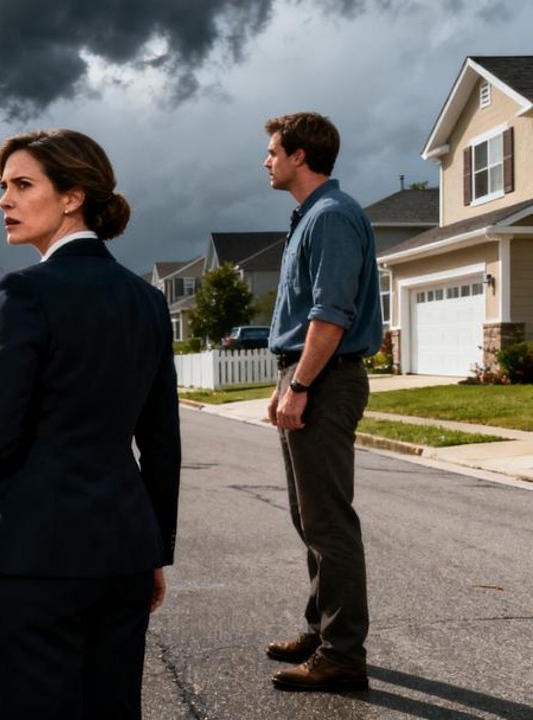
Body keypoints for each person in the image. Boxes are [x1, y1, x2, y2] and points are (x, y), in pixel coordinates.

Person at [0, 129, 181, 719]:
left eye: (23, 185)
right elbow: (161, 445)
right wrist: (152, 551)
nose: (4, 200)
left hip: (29, 559)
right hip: (122, 555)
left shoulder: (23, 291)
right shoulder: (147, 301)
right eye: (4, 186)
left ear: (73, 197)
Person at [261, 111, 382, 692]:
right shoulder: (310, 216)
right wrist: (284, 382)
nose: (266, 161)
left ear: (300, 156)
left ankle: (342, 654)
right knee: (309, 519)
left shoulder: (331, 216)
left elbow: (330, 316)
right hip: (309, 375)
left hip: (327, 380)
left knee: (328, 522)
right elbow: (298, 320)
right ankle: (321, 631)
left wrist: (302, 385)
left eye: (273, 151)